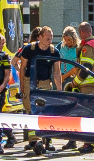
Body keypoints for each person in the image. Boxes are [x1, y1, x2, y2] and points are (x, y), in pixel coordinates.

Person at [17, 25, 61, 153]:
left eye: (51, 38)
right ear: (40, 37)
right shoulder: (28, 50)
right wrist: (22, 87)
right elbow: (23, 68)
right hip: (30, 82)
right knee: (30, 111)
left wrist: (59, 90)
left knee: (46, 111)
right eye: (47, 38)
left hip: (45, 83)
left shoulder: (54, 52)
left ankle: (48, 140)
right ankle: (34, 141)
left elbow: (57, 72)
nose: (49, 41)